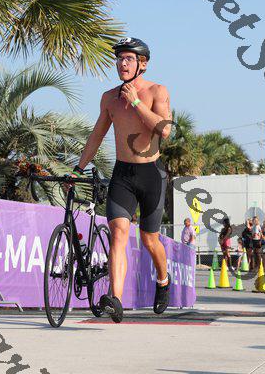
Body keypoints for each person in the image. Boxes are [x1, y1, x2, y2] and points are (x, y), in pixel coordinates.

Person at [71, 37, 172, 323]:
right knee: (118, 233)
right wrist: (78, 169)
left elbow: (164, 130)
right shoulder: (108, 98)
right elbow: (97, 135)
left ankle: (163, 280)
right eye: (119, 58)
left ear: (142, 64)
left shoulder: (157, 91)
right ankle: (115, 300)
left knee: (149, 240)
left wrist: (136, 102)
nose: (122, 63)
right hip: (123, 174)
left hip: (151, 174)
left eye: (128, 58)